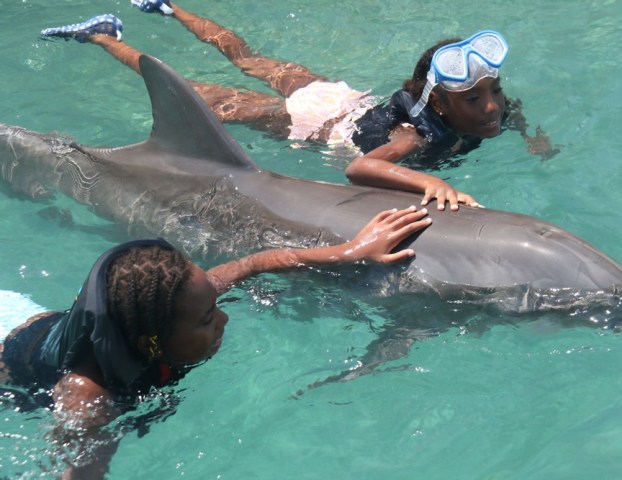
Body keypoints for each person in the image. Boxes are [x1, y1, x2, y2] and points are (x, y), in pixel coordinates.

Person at [0, 206, 431, 478]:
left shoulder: (178, 303)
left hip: (36, 321)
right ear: (153, 343)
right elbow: (78, 471)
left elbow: (256, 262)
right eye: (208, 318)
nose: (223, 318)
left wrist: (352, 250)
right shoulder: (89, 399)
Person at [40, 1, 561, 212]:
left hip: (344, 99)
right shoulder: (415, 135)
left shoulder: (482, 108)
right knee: (200, 94)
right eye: (475, 99)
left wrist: (529, 133)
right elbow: (362, 167)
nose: (492, 107)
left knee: (249, 58)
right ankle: (106, 37)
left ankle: (166, 6)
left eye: (492, 92)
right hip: (317, 123)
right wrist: (430, 181)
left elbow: (509, 111)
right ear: (442, 107)